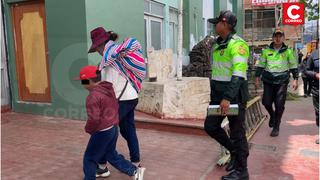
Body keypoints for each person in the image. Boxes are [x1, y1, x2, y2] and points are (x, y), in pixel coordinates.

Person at [88, 27, 146, 177]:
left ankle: (104, 166)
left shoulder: (110, 58)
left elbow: (109, 87)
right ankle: (135, 161)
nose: (98, 52)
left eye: (97, 49)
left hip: (121, 100)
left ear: (101, 45)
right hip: (131, 97)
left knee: (105, 131)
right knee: (128, 130)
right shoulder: (116, 54)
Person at [76, 65, 145, 180]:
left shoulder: (93, 96)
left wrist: (88, 129)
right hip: (112, 128)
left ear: (89, 81)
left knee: (89, 158)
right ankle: (135, 171)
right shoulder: (108, 89)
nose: (82, 84)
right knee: (111, 155)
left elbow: (94, 119)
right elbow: (115, 107)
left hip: (101, 131)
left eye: (83, 81)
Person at [205, 10, 250, 180]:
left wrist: (227, 98)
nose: (214, 25)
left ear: (225, 24)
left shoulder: (238, 45)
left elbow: (238, 74)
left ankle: (242, 171)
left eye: (217, 22)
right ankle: (234, 152)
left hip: (234, 97)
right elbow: (219, 73)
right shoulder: (218, 44)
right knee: (210, 126)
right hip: (218, 97)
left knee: (237, 133)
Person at [255, 28, 299, 137]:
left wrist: (295, 79)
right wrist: (256, 77)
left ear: (283, 37)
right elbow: (261, 65)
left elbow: (293, 66)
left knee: (279, 105)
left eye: (280, 36)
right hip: (268, 80)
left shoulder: (288, 51)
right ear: (273, 37)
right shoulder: (266, 51)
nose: (278, 38)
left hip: (282, 81)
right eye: (276, 36)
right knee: (266, 102)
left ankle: (276, 126)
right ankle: (272, 116)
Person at [303, 45, 319, 144]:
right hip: (317, 88)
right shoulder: (314, 55)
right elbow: (306, 70)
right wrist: (315, 75)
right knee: (319, 113)